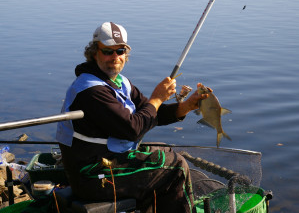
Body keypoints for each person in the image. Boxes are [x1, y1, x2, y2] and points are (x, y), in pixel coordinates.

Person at [56, 21, 209, 213]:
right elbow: (133, 129)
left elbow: (149, 113)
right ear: (94, 52)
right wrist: (157, 97)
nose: (115, 57)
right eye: (107, 51)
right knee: (175, 167)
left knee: (164, 149)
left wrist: (184, 107)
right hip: (92, 175)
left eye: (120, 51)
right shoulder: (91, 90)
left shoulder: (119, 82)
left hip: (110, 160)